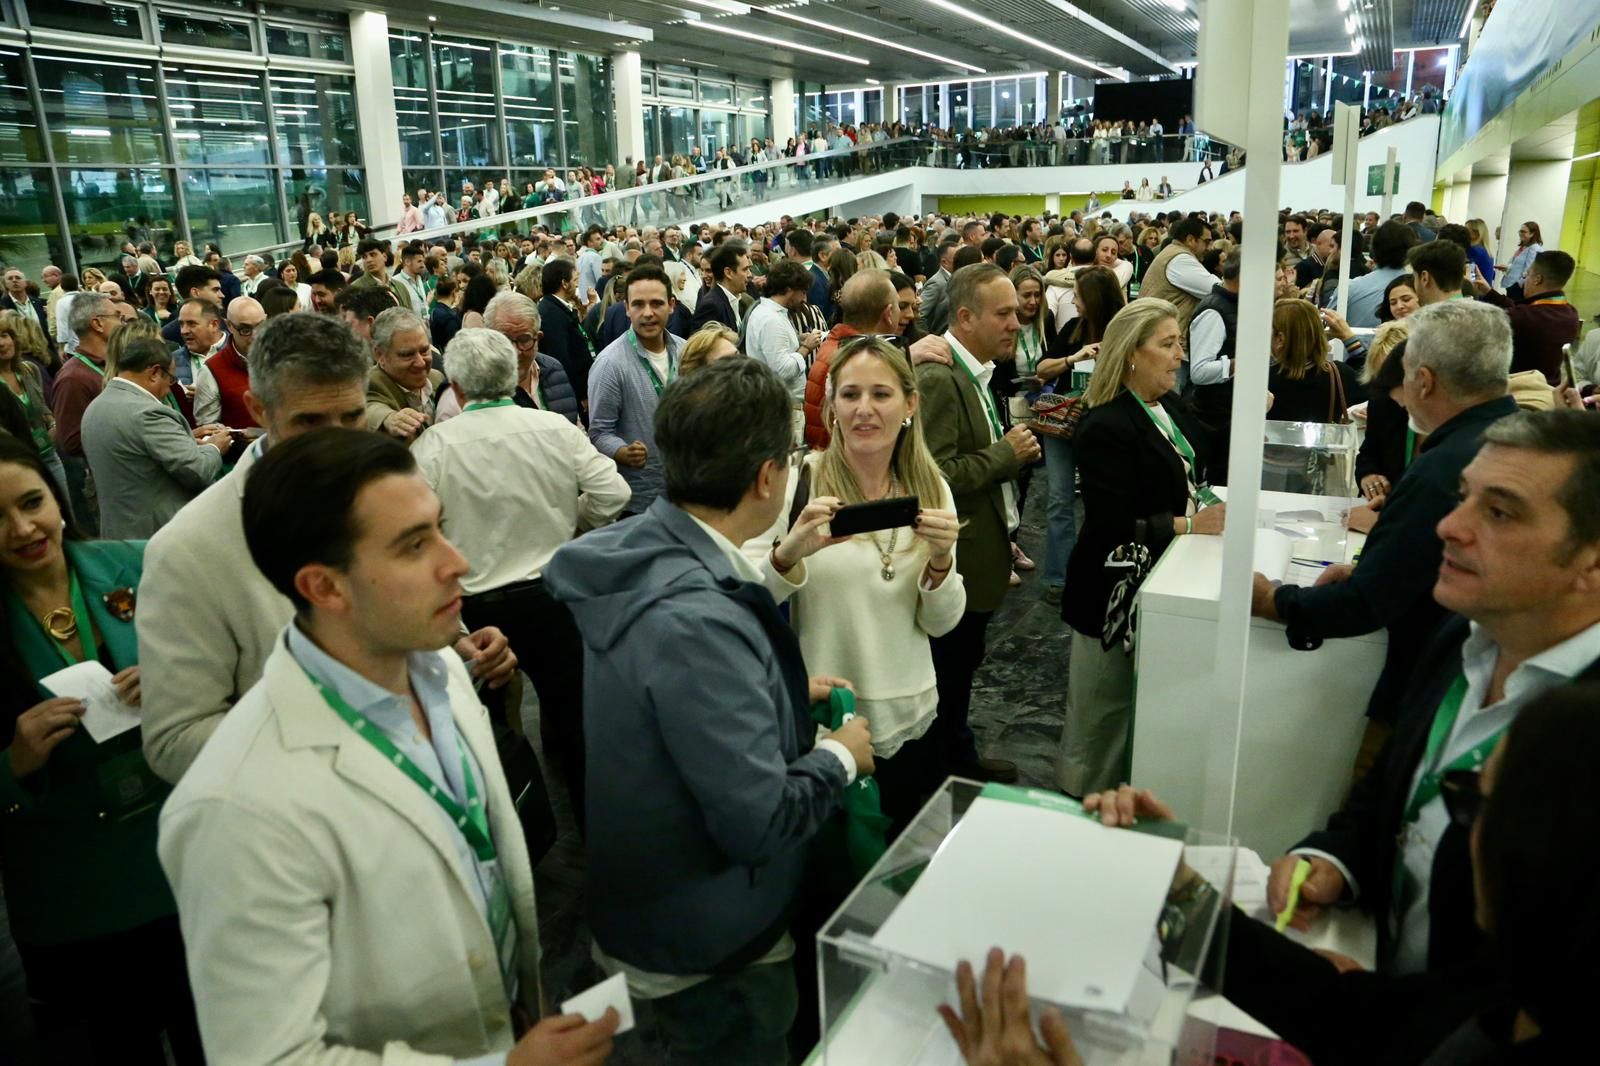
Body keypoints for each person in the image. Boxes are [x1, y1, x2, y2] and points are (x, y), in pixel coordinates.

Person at [158, 428, 611, 1063]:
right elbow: (272, 1056)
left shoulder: (442, 671)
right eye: (413, 546)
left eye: (440, 529)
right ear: (325, 588)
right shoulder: (234, 806)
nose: (457, 562)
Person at [544, 358, 872, 1065]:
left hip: (651, 908)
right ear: (766, 478)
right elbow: (759, 822)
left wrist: (776, 695)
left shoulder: (644, 552)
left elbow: (668, 708)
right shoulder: (697, 621)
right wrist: (840, 757)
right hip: (706, 955)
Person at [1047, 687, 1600, 1066]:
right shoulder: (1509, 983)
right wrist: (1183, 887)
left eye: (1474, 805)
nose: (1461, 836)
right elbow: (1348, 1015)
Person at [1267, 409, 1600, 980]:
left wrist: (1366, 1008)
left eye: (1499, 512)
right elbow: (1395, 783)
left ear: (1590, 561)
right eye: (1463, 497)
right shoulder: (1460, 635)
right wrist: (1339, 858)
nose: (1448, 526)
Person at [138, 313, 516, 784]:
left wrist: (456, 644)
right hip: (315, 806)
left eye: (352, 417)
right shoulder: (189, 549)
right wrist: (347, 738)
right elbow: (174, 741)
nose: (337, 440)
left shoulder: (390, 490)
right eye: (310, 422)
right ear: (258, 410)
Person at [0, 436, 204, 1065]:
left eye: (31, 502)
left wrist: (179, 682)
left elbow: (232, 676)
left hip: (187, 864)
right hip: (74, 896)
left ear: (57, 499)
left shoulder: (141, 565)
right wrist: (13, 764)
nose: (22, 528)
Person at [1252, 300, 1518, 741]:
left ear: (1424, 381)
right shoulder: (1519, 441)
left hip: (1436, 696)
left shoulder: (1442, 471)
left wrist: (1272, 600)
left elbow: (1365, 603)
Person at [413, 329, 629, 832]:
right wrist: (572, 522)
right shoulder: (554, 428)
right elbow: (614, 493)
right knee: (577, 725)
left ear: (456, 388)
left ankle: (514, 837)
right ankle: (597, 836)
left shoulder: (432, 448)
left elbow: (416, 534)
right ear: (513, 378)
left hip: (476, 612)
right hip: (555, 596)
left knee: (492, 733)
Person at [763, 337, 965, 827]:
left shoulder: (933, 488)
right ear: (831, 406)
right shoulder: (799, 483)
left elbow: (941, 624)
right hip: (826, 719)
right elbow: (748, 601)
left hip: (912, 716)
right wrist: (788, 555)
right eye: (850, 395)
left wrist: (941, 563)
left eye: (881, 394)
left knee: (903, 854)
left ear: (910, 404)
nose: (864, 409)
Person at [1055, 299, 1224, 797]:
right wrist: (1189, 525)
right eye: (1168, 344)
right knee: (1099, 713)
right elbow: (1110, 522)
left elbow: (1199, 460)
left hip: (1158, 579)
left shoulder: (1169, 405)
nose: (1180, 356)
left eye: (1180, 344)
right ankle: (1079, 801)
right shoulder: (1105, 424)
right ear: (1132, 353)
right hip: (1110, 591)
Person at [919, 264, 1037, 784]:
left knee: (961, 666)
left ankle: (956, 752)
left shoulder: (973, 373)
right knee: (949, 669)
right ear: (965, 317)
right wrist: (1006, 455)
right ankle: (947, 766)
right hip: (957, 560)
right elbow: (936, 474)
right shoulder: (940, 378)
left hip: (980, 552)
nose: (1016, 322)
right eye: (1003, 313)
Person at [80, 337, 228, 539]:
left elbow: (134, 455)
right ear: (155, 373)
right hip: (158, 535)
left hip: (117, 534)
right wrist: (214, 447)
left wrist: (184, 442)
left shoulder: (95, 408)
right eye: (171, 380)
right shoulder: (149, 413)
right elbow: (197, 471)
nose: (169, 389)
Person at [587, 264, 685, 516]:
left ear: (671, 305)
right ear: (627, 309)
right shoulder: (610, 364)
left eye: (656, 303)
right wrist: (622, 451)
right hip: (642, 498)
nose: (648, 313)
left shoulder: (686, 352)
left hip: (689, 490)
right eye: (638, 304)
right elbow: (599, 432)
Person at [51, 292, 120, 535]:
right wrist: (127, 431)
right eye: (117, 316)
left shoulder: (112, 363)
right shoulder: (73, 378)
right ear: (98, 323)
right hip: (107, 486)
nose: (122, 323)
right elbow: (70, 442)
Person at [1473, 249, 1580, 385]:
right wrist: (1489, 292)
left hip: (1519, 388)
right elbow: (1527, 311)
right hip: (1550, 388)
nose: (1525, 280)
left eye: (1527, 274)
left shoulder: (1523, 317)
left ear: (1538, 279)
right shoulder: (1571, 313)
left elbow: (1480, 323)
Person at [746, 259, 823, 433]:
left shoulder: (769, 313)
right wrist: (806, 348)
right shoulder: (772, 320)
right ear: (789, 289)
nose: (804, 299)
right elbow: (782, 370)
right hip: (783, 410)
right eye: (802, 292)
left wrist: (797, 340)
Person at [484, 292, 582, 425]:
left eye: (524, 339)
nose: (515, 352)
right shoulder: (478, 387)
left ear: (538, 338)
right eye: (504, 340)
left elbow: (574, 426)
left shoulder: (554, 371)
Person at [0, 313, 67, 503]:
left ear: (14, 339)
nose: (2, 343)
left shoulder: (29, 369)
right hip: (18, 463)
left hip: (49, 454)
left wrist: (52, 425)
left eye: (4, 335)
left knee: (64, 507)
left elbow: (43, 407)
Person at [1265, 299, 1366, 423]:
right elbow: (1373, 379)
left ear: (1280, 338)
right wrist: (1348, 337)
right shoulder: (1340, 375)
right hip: (1329, 435)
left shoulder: (1263, 380)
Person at [1353, 321, 1413, 501]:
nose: (1390, 389)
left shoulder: (1438, 414)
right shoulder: (1381, 401)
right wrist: (1367, 475)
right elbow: (1369, 451)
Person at [366, 307, 443, 445]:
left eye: (424, 350)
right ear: (380, 355)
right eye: (407, 355)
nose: (420, 363)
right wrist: (390, 418)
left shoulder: (437, 378)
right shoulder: (369, 384)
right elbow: (370, 409)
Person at [1134, 215, 1219, 334]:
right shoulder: (1180, 260)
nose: (1209, 248)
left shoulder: (1173, 253)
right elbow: (1218, 290)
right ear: (1190, 240)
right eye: (1207, 242)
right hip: (1163, 337)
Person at [191, 296, 264, 430]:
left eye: (261, 326)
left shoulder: (284, 357)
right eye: (245, 330)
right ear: (229, 325)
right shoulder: (212, 370)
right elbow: (208, 429)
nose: (255, 336)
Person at [537, 257, 598, 408]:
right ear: (564, 283)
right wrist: (581, 394)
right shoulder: (551, 313)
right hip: (572, 394)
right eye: (575, 280)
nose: (576, 285)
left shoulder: (559, 307)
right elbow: (562, 358)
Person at [1346, 221, 1419, 328]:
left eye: (1406, 299)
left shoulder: (1350, 288)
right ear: (1410, 250)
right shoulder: (1420, 288)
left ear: (1373, 249)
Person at [690, 240, 750, 338]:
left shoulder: (738, 302)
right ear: (728, 273)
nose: (749, 274)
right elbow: (702, 344)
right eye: (745, 269)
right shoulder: (711, 306)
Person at [1494, 220, 1542, 295]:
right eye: (1520, 231)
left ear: (1532, 234)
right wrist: (1506, 268)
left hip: (1518, 288)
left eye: (1523, 232)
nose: (1520, 234)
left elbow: (1529, 270)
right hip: (1510, 285)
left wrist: (1519, 285)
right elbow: (1518, 267)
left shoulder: (1534, 248)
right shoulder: (1523, 247)